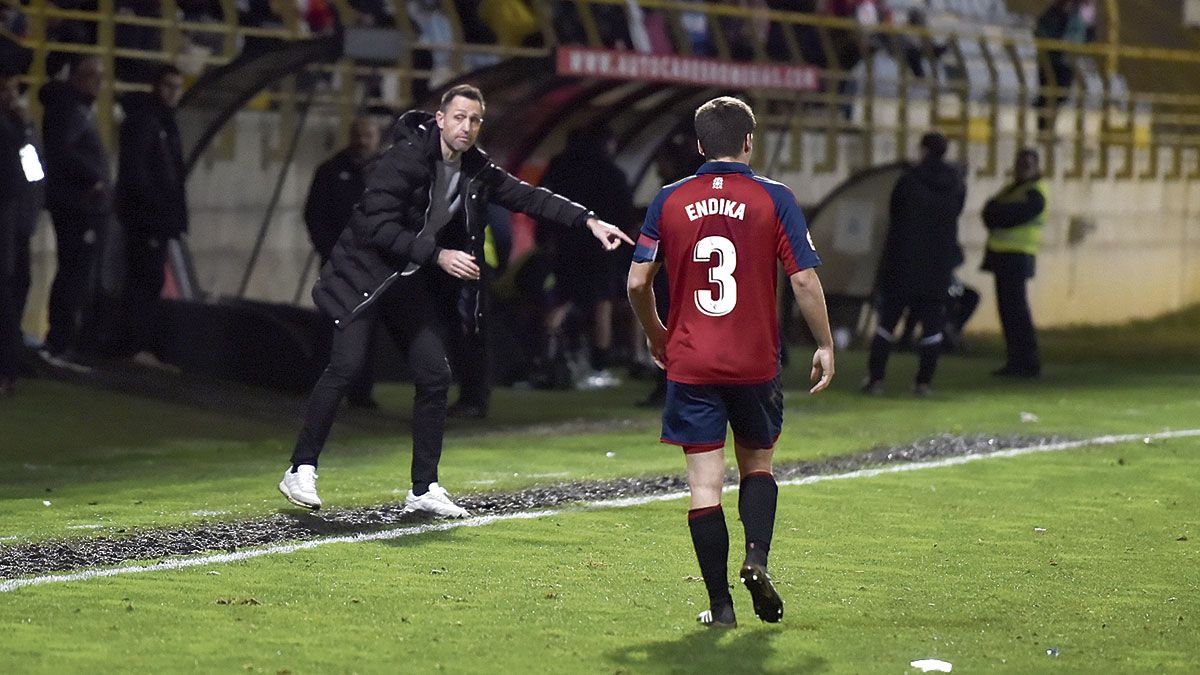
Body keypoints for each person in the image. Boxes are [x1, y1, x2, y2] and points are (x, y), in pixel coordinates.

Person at [279, 84, 631, 515]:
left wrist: (588, 220)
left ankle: (423, 489)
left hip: (404, 279)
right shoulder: (404, 157)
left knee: (434, 374)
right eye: (459, 117)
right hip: (364, 276)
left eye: (475, 120)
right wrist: (438, 254)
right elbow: (376, 228)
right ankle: (300, 468)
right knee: (345, 367)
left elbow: (525, 195)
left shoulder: (474, 167)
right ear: (441, 119)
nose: (467, 127)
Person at [627, 96, 835, 628]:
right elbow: (805, 279)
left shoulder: (669, 199)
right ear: (749, 140)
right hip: (754, 364)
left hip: (691, 364)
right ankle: (757, 559)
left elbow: (636, 279)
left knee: (704, 487)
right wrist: (826, 344)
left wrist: (656, 332)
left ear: (699, 145)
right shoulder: (775, 198)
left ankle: (721, 608)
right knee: (758, 466)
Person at [863, 131, 965, 397]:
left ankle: (876, 380)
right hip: (937, 266)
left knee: (887, 325)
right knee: (932, 328)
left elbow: (895, 213)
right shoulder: (955, 184)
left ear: (923, 150)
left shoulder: (909, 180)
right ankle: (923, 383)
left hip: (904, 263)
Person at [539, 125, 635, 381]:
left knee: (565, 298)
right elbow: (624, 212)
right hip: (601, 248)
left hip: (564, 245)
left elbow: (543, 204)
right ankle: (599, 366)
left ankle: (547, 351)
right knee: (601, 303)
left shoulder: (559, 169)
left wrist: (547, 238)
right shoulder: (610, 173)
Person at [38, 55, 110, 372]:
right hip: (77, 206)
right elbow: (61, 153)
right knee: (73, 273)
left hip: (77, 203)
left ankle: (63, 341)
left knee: (75, 273)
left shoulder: (72, 109)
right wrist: (92, 179)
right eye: (93, 76)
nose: (99, 83)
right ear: (76, 78)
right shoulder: (69, 110)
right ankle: (59, 343)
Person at [113, 64, 187, 363]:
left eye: (177, 87)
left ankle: (135, 344)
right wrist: (158, 207)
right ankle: (133, 345)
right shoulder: (147, 121)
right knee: (144, 280)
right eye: (168, 85)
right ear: (156, 86)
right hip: (147, 219)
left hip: (155, 218)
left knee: (147, 280)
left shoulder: (163, 122)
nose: (172, 93)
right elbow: (139, 172)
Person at [982, 148, 1046, 378]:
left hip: (1018, 256)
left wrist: (1000, 214)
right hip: (1003, 256)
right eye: (1021, 163)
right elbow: (989, 212)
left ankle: (1027, 362)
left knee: (1017, 312)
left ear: (1037, 166)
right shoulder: (1011, 190)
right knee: (1009, 312)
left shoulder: (1035, 192)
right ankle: (1016, 361)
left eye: (1028, 164)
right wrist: (999, 214)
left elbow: (1007, 215)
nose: (1023, 168)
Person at [0, 65, 44, 395]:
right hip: (13, 224)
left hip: (15, 226)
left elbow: (32, 175)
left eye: (14, 89)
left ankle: (9, 369)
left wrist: (25, 133)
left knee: (11, 295)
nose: (11, 96)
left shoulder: (18, 130)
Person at [1033, 0, 1095, 131]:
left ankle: (1048, 127)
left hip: (1066, 63)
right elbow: (1041, 33)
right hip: (1051, 62)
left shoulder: (1076, 19)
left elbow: (1083, 38)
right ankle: (1044, 128)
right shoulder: (1052, 16)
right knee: (1047, 96)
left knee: (1060, 96)